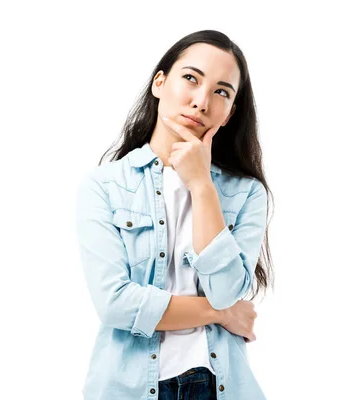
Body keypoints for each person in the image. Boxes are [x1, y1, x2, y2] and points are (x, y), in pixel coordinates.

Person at [74, 29, 274, 400]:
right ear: (160, 83)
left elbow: (226, 290)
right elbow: (115, 304)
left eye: (221, 92)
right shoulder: (105, 186)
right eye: (191, 79)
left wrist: (201, 185)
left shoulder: (246, 193)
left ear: (229, 113)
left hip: (219, 386)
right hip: (128, 388)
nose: (201, 102)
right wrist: (220, 314)